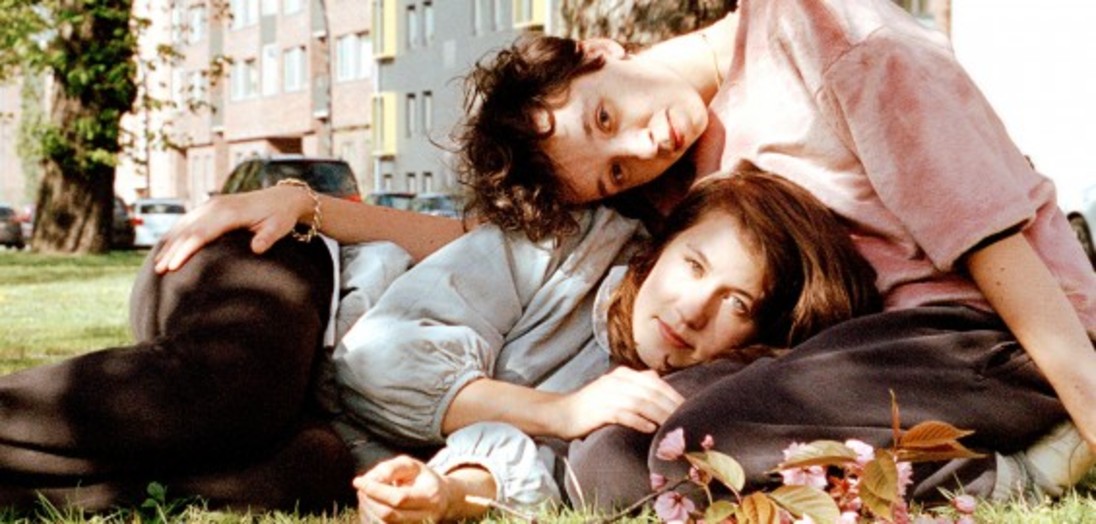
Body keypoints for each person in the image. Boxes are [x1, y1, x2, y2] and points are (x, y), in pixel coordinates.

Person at [155, 0, 1096, 507]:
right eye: (610, 171)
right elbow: (493, 246)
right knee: (615, 456)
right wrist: (309, 203)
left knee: (696, 435)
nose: (640, 147)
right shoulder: (684, 166)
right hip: (856, 357)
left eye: (607, 117)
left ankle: (1018, 466)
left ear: (599, 49)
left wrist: (1087, 396)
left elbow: (994, 244)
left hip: (996, 332)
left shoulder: (831, 33)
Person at [340, 169, 880, 523]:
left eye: (736, 303)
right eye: (694, 265)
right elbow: (375, 361)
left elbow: (538, 473)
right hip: (331, 299)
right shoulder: (570, 243)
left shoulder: (675, 394)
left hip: (341, 441)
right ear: (663, 245)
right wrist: (561, 411)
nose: (693, 309)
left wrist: (448, 492)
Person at [0, 231, 357, 511]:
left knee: (314, 466)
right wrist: (299, 201)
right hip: (283, 254)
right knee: (228, 385)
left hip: (321, 401)